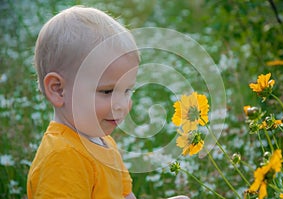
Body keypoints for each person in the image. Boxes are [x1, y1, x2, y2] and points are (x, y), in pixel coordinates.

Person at [27, 5, 189, 199]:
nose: (121, 104)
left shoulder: (104, 143)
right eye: (107, 91)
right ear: (58, 89)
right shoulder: (63, 157)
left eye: (127, 90)